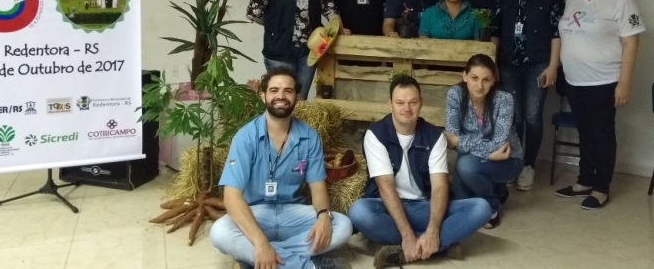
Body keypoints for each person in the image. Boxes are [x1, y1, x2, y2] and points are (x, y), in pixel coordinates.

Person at [211, 66, 353, 269]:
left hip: (292, 213)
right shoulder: (245, 137)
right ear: (263, 96)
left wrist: (323, 215)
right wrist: (260, 241)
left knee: (342, 225)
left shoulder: (309, 136)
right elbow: (231, 197)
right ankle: (308, 266)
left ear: (297, 98)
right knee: (219, 232)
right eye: (274, 90)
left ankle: (258, 258)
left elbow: (318, 187)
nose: (281, 96)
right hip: (256, 214)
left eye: (288, 91)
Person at [348, 76, 491, 269]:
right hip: (387, 207)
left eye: (413, 102)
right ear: (390, 104)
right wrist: (407, 235)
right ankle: (436, 246)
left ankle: (408, 250)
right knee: (359, 212)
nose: (407, 108)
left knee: (481, 208)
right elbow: (385, 187)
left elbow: (440, 186)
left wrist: (432, 230)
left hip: (424, 207)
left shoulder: (435, 136)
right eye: (400, 103)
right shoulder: (376, 135)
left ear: (421, 103)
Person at [555, 0, 645, 209]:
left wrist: (624, 83)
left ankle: (601, 188)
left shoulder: (621, 0)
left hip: (604, 81)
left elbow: (631, 43)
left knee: (602, 134)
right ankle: (584, 181)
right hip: (575, 80)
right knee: (584, 132)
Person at [492, 0, 565, 191]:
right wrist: (493, 64)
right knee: (514, 117)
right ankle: (513, 162)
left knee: (533, 117)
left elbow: (557, 32)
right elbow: (495, 31)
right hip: (508, 64)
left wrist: (553, 65)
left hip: (538, 64)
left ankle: (528, 166)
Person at [444, 54, 524, 229]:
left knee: (465, 166)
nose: (479, 86)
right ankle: (498, 190)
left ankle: (492, 205)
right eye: (474, 78)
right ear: (464, 76)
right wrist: (488, 153)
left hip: (508, 160)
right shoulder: (455, 94)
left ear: (494, 80)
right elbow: (450, 139)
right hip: (478, 157)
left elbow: (498, 145)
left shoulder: (504, 99)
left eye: (486, 80)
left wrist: (460, 141)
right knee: (459, 202)